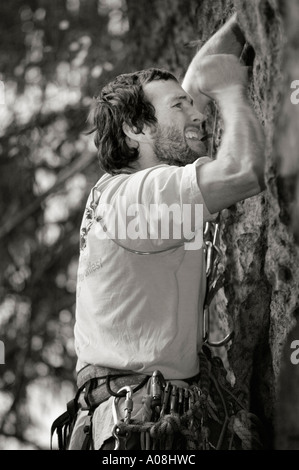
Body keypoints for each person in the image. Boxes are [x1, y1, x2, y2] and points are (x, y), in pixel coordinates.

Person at [56, 13, 265, 450]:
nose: (197, 113)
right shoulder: (140, 196)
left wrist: (248, 20)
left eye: (191, 103)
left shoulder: (121, 193)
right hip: (141, 426)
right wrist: (230, 90)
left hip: (133, 415)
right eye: (179, 107)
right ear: (137, 130)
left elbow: (196, 79)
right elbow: (245, 171)